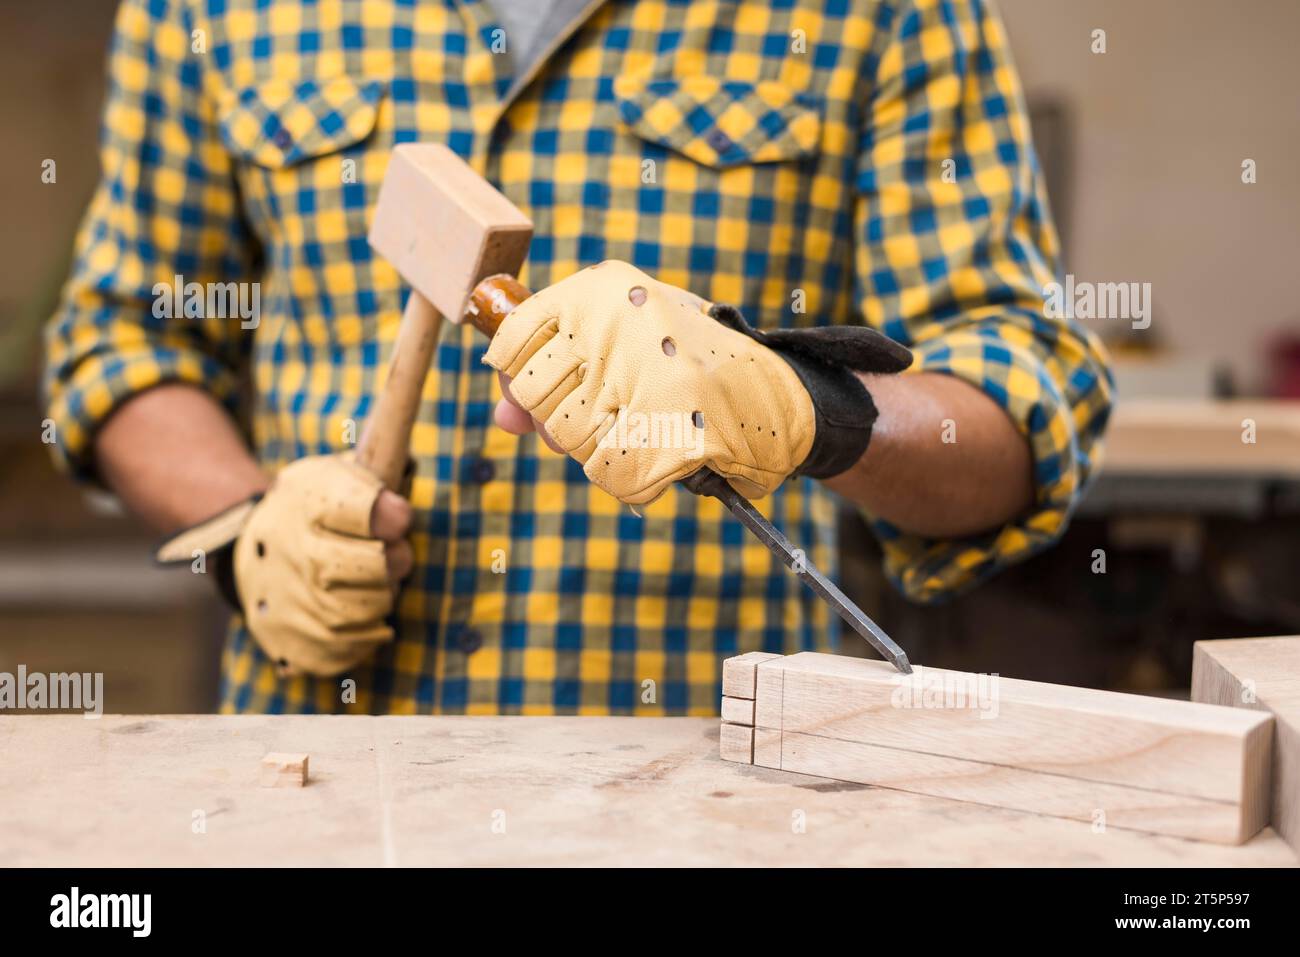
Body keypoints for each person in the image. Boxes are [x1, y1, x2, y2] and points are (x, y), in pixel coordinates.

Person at [44, 0, 1113, 714]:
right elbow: (122, 336)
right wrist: (246, 529)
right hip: (319, 770)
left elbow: (1024, 403)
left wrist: (808, 408)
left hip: (714, 782)